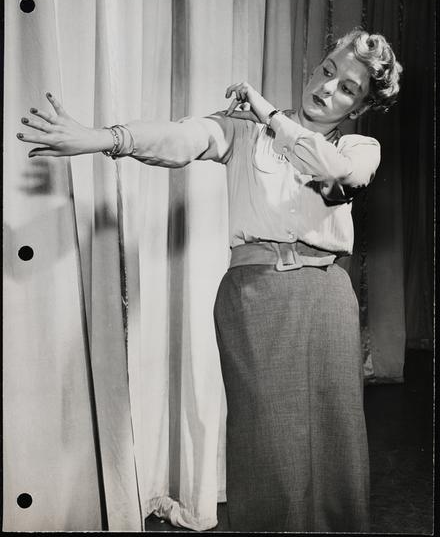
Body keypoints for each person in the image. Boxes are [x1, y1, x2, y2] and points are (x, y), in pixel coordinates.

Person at [17, 27, 402, 532]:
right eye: (327, 71)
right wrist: (105, 138)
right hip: (256, 296)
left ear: (361, 106)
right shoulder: (245, 131)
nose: (327, 88)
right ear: (315, 67)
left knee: (337, 443)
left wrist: (272, 116)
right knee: (267, 447)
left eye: (347, 88)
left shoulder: (358, 146)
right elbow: (183, 138)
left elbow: (338, 174)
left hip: (328, 299)